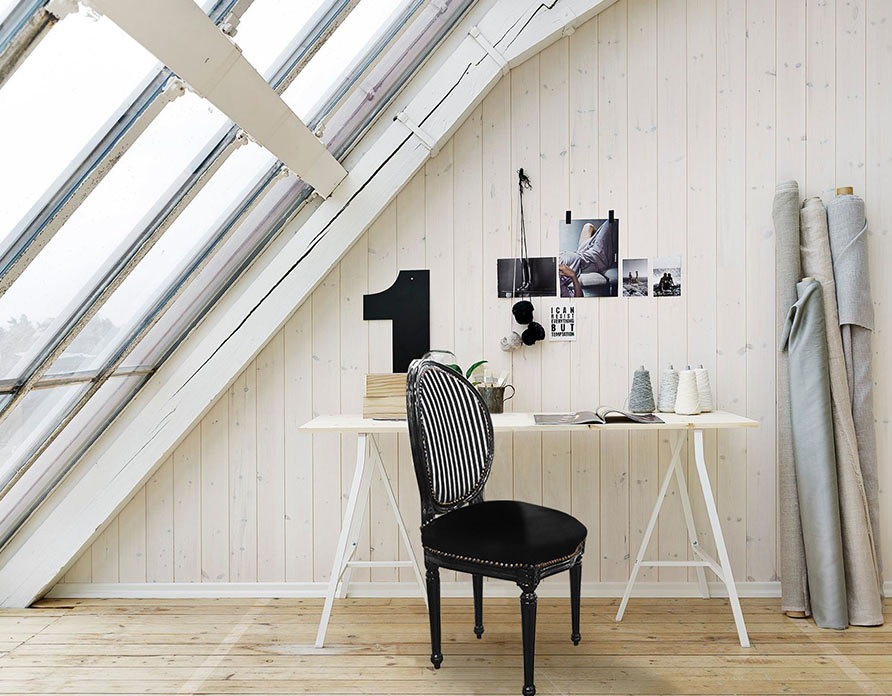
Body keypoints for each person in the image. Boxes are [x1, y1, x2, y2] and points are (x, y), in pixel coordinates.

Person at [558, 220, 616, 297]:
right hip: (590, 260)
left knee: (588, 226)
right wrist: (573, 276)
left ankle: (603, 244)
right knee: (612, 223)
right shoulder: (559, 287)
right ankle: (605, 250)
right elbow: (578, 298)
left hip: (580, 252)